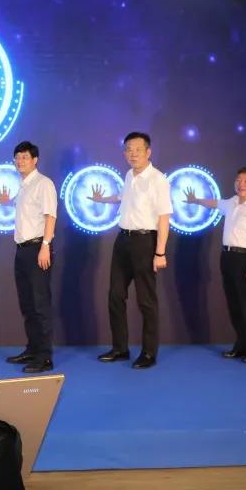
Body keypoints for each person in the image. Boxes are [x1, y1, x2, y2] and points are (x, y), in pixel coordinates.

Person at [88, 131, 173, 369]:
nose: (132, 154)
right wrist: (103, 200)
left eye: (137, 150)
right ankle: (120, 348)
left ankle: (149, 353)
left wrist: (160, 252)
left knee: (146, 300)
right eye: (128, 150)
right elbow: (123, 198)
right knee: (115, 295)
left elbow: (164, 218)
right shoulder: (129, 175)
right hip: (123, 240)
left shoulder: (157, 179)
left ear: (148, 152)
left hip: (145, 242)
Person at [185, 167, 246, 363]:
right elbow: (215, 203)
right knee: (235, 306)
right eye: (239, 180)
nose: (241, 184)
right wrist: (196, 200)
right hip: (228, 258)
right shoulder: (231, 202)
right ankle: (240, 346)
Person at [0, 141, 58, 374]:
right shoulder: (23, 186)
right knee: (27, 304)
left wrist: (45, 246)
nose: (20, 161)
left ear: (35, 160)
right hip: (22, 250)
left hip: (37, 248)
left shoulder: (43, 183)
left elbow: (50, 216)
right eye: (17, 157)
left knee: (40, 304)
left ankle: (45, 357)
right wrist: (6, 202)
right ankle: (32, 349)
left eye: (24, 157)